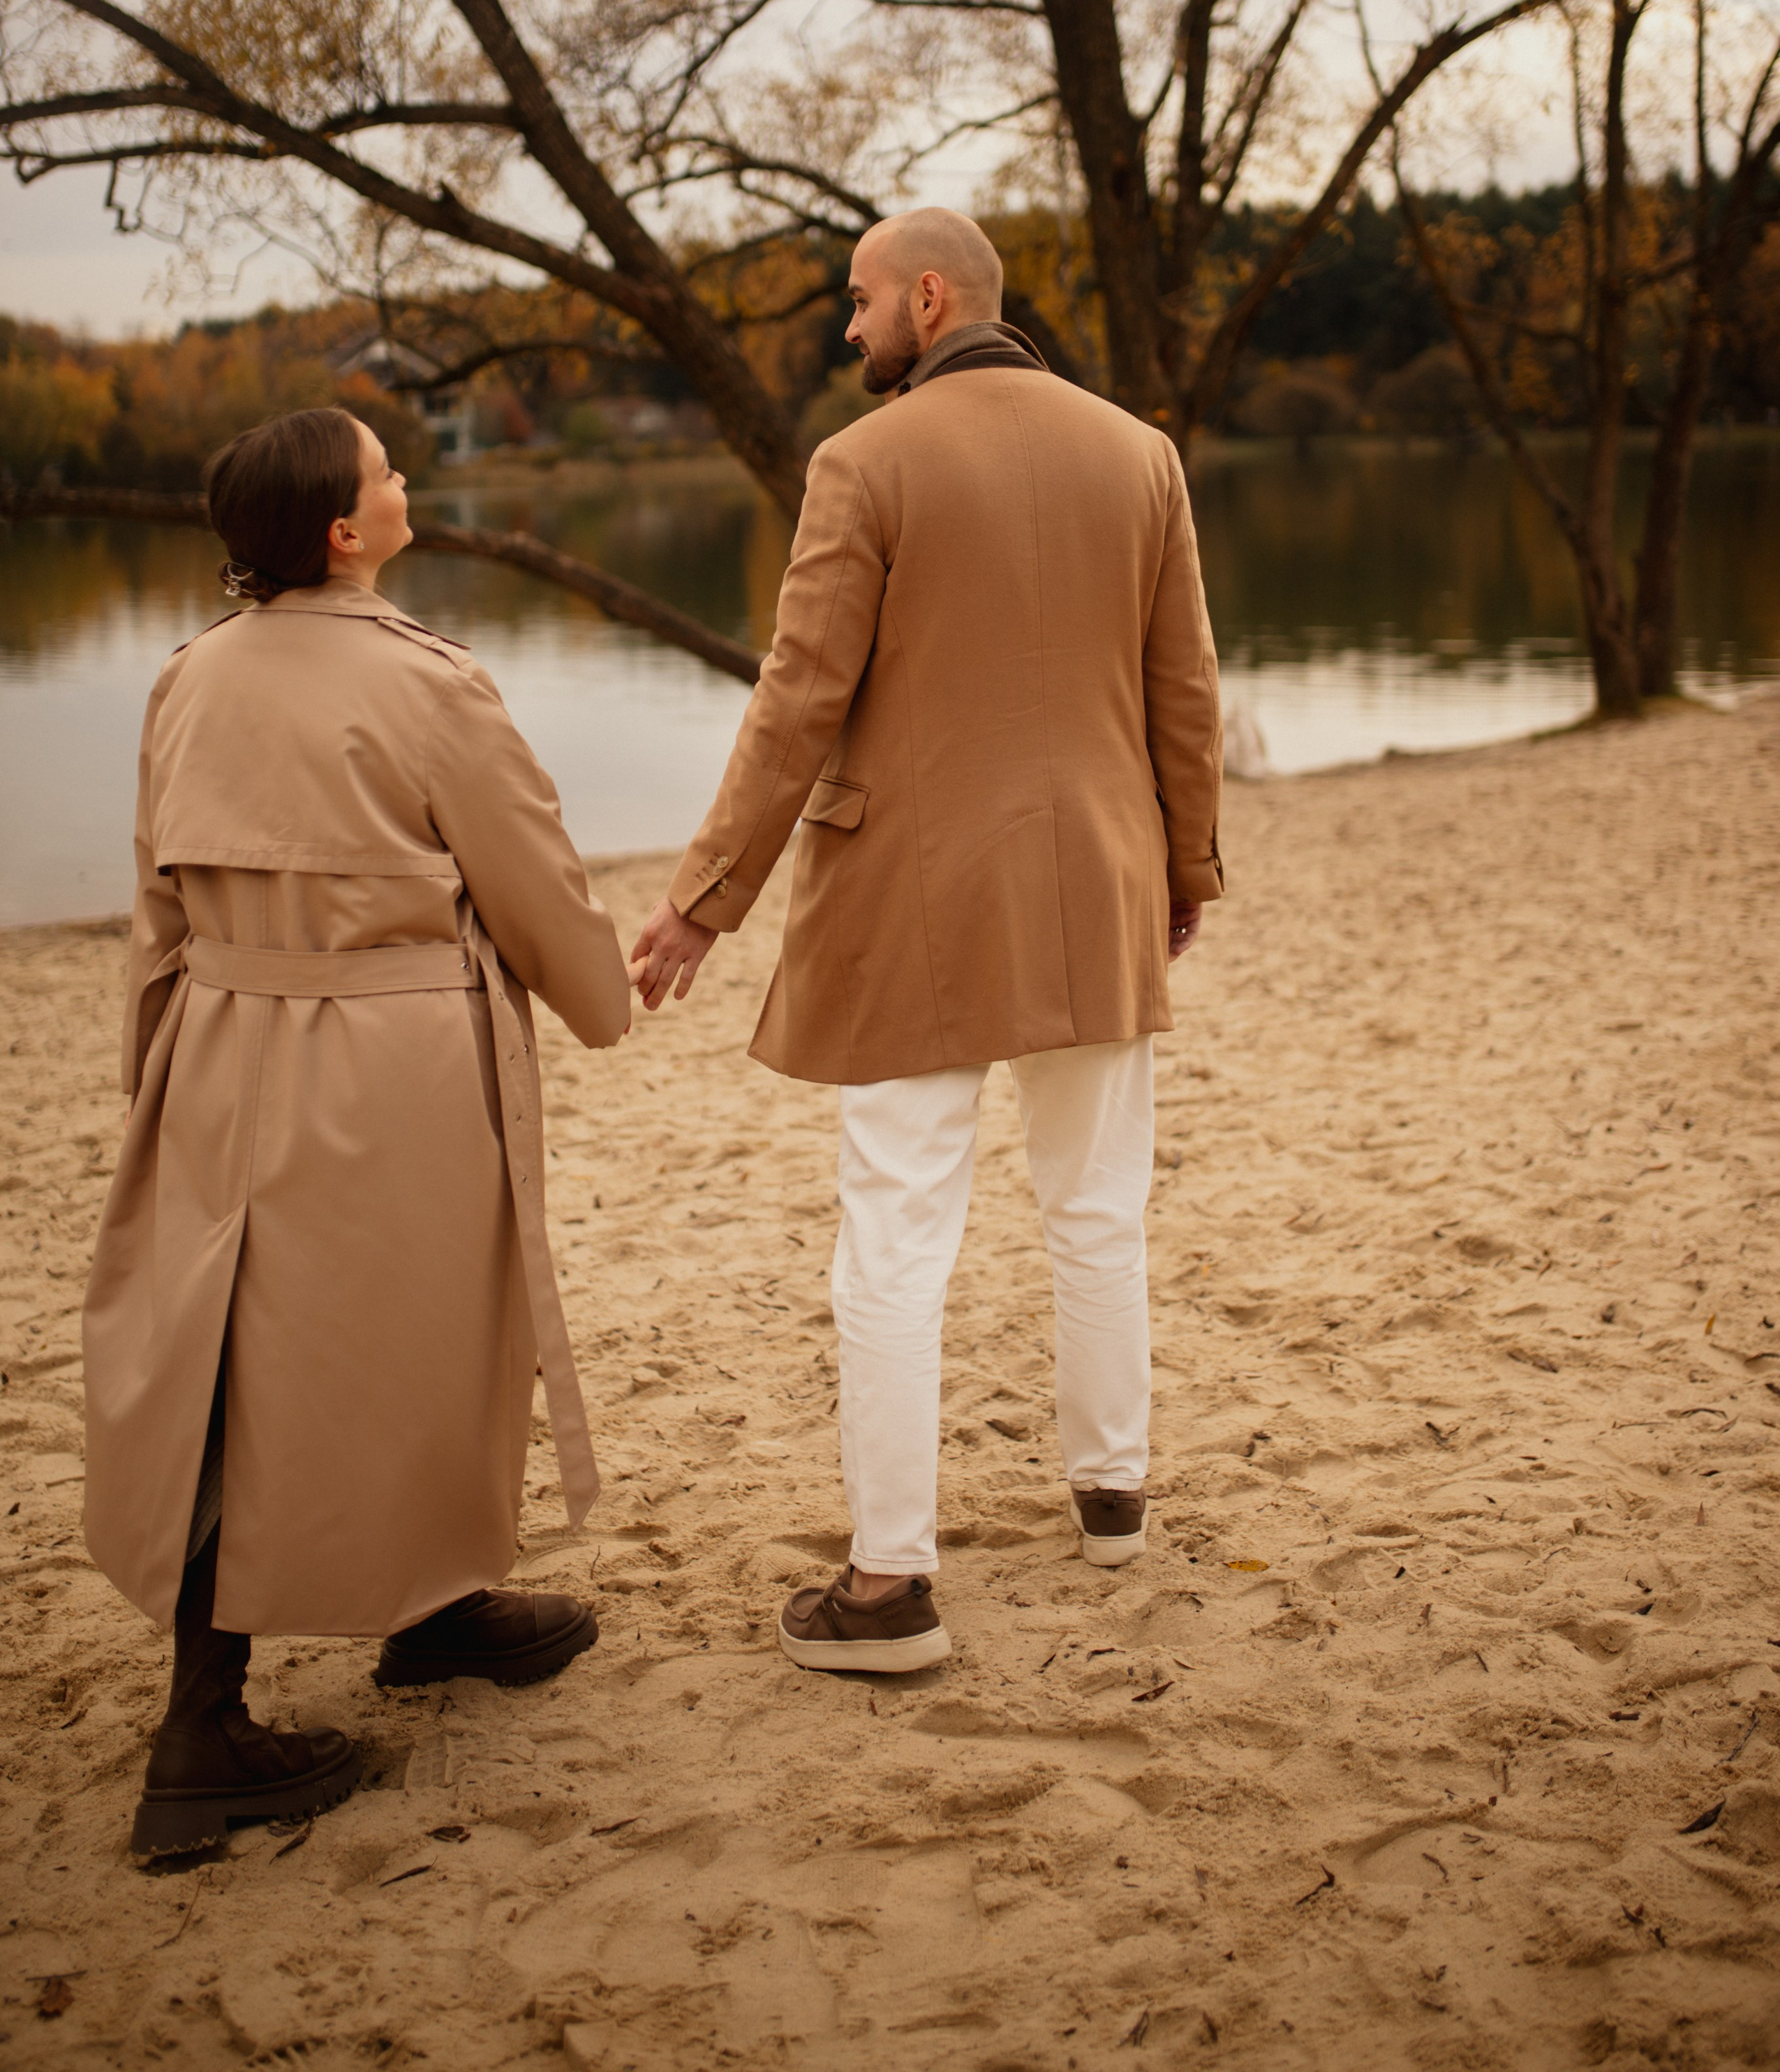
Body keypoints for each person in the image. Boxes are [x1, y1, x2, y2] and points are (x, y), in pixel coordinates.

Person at [630, 208, 1222, 1673]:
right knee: (1097, 1208)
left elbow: (796, 701)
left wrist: (705, 898)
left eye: (858, 301)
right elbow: (1183, 688)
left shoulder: (864, 463)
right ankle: (1111, 1500)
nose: (847, 329)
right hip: (1099, 878)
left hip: (917, 897)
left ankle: (889, 1587)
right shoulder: (1136, 454)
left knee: (893, 1237)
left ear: (930, 296)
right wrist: (1188, 863)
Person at [84, 406, 632, 1856]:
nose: (406, 482)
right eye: (388, 470)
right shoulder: (431, 684)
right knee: (410, 1326)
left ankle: (436, 1605)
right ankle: (201, 1733)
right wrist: (600, 996)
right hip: (387, 1064)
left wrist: (152, 1079)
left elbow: (158, 906)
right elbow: (529, 869)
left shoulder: (183, 680)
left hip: (214, 1048)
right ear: (342, 529)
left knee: (239, 1341)